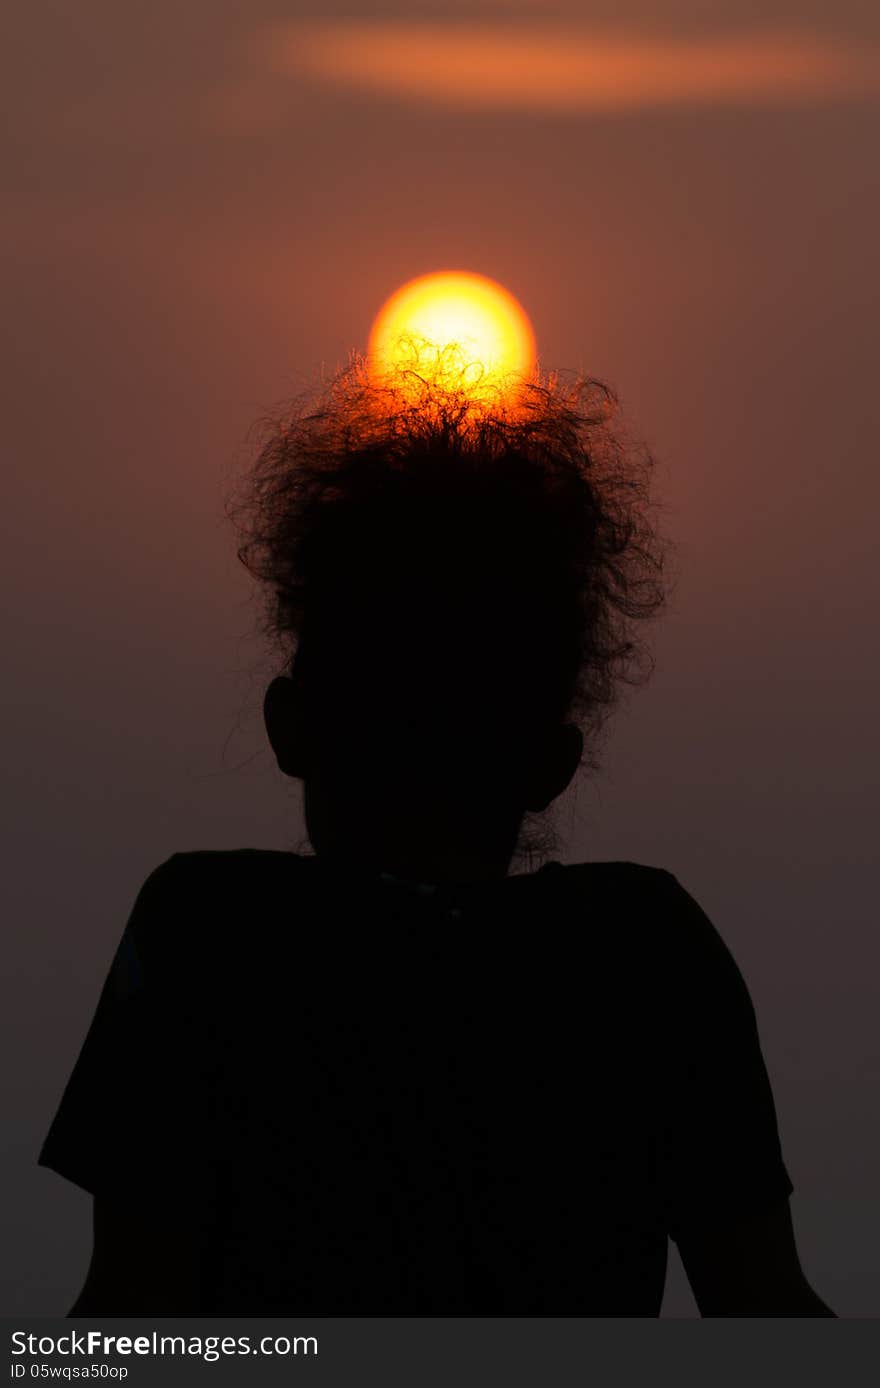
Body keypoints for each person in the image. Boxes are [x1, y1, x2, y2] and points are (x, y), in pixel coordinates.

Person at [39, 362, 833, 1315]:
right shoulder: (644, 955)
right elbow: (768, 1315)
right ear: (552, 762)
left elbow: (128, 1323)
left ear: (289, 725)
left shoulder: (207, 937)